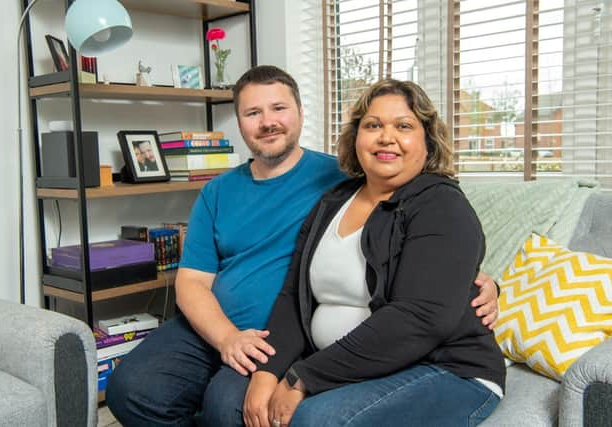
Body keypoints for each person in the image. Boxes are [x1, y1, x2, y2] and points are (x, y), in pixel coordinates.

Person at [106, 66, 500, 427]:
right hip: (241, 330)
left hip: (381, 353)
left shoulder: (350, 179)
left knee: (282, 414)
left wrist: (479, 279)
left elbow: (430, 284)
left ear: (300, 112)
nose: (268, 122)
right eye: (252, 113)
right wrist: (241, 351)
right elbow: (222, 286)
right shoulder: (333, 195)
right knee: (149, 392)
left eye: (278, 107)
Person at [243, 79, 506, 427]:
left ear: (427, 140)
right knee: (229, 399)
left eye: (404, 126)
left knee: (316, 420)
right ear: (356, 138)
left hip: (446, 370)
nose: (386, 136)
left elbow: (420, 319)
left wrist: (301, 377)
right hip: (347, 364)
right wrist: (267, 372)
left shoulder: (442, 205)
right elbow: (295, 296)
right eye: (372, 125)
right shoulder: (333, 201)